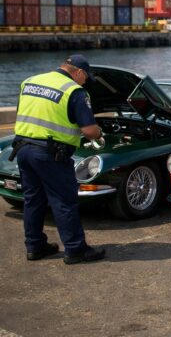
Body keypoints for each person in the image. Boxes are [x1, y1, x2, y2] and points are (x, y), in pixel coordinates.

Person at [13, 54, 106, 265]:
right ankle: (75, 250)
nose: (85, 82)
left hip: (23, 149)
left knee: (33, 199)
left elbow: (25, 113)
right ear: (79, 72)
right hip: (50, 154)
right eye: (86, 78)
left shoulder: (30, 81)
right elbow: (89, 131)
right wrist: (100, 134)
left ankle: (35, 247)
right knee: (64, 200)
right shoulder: (74, 91)